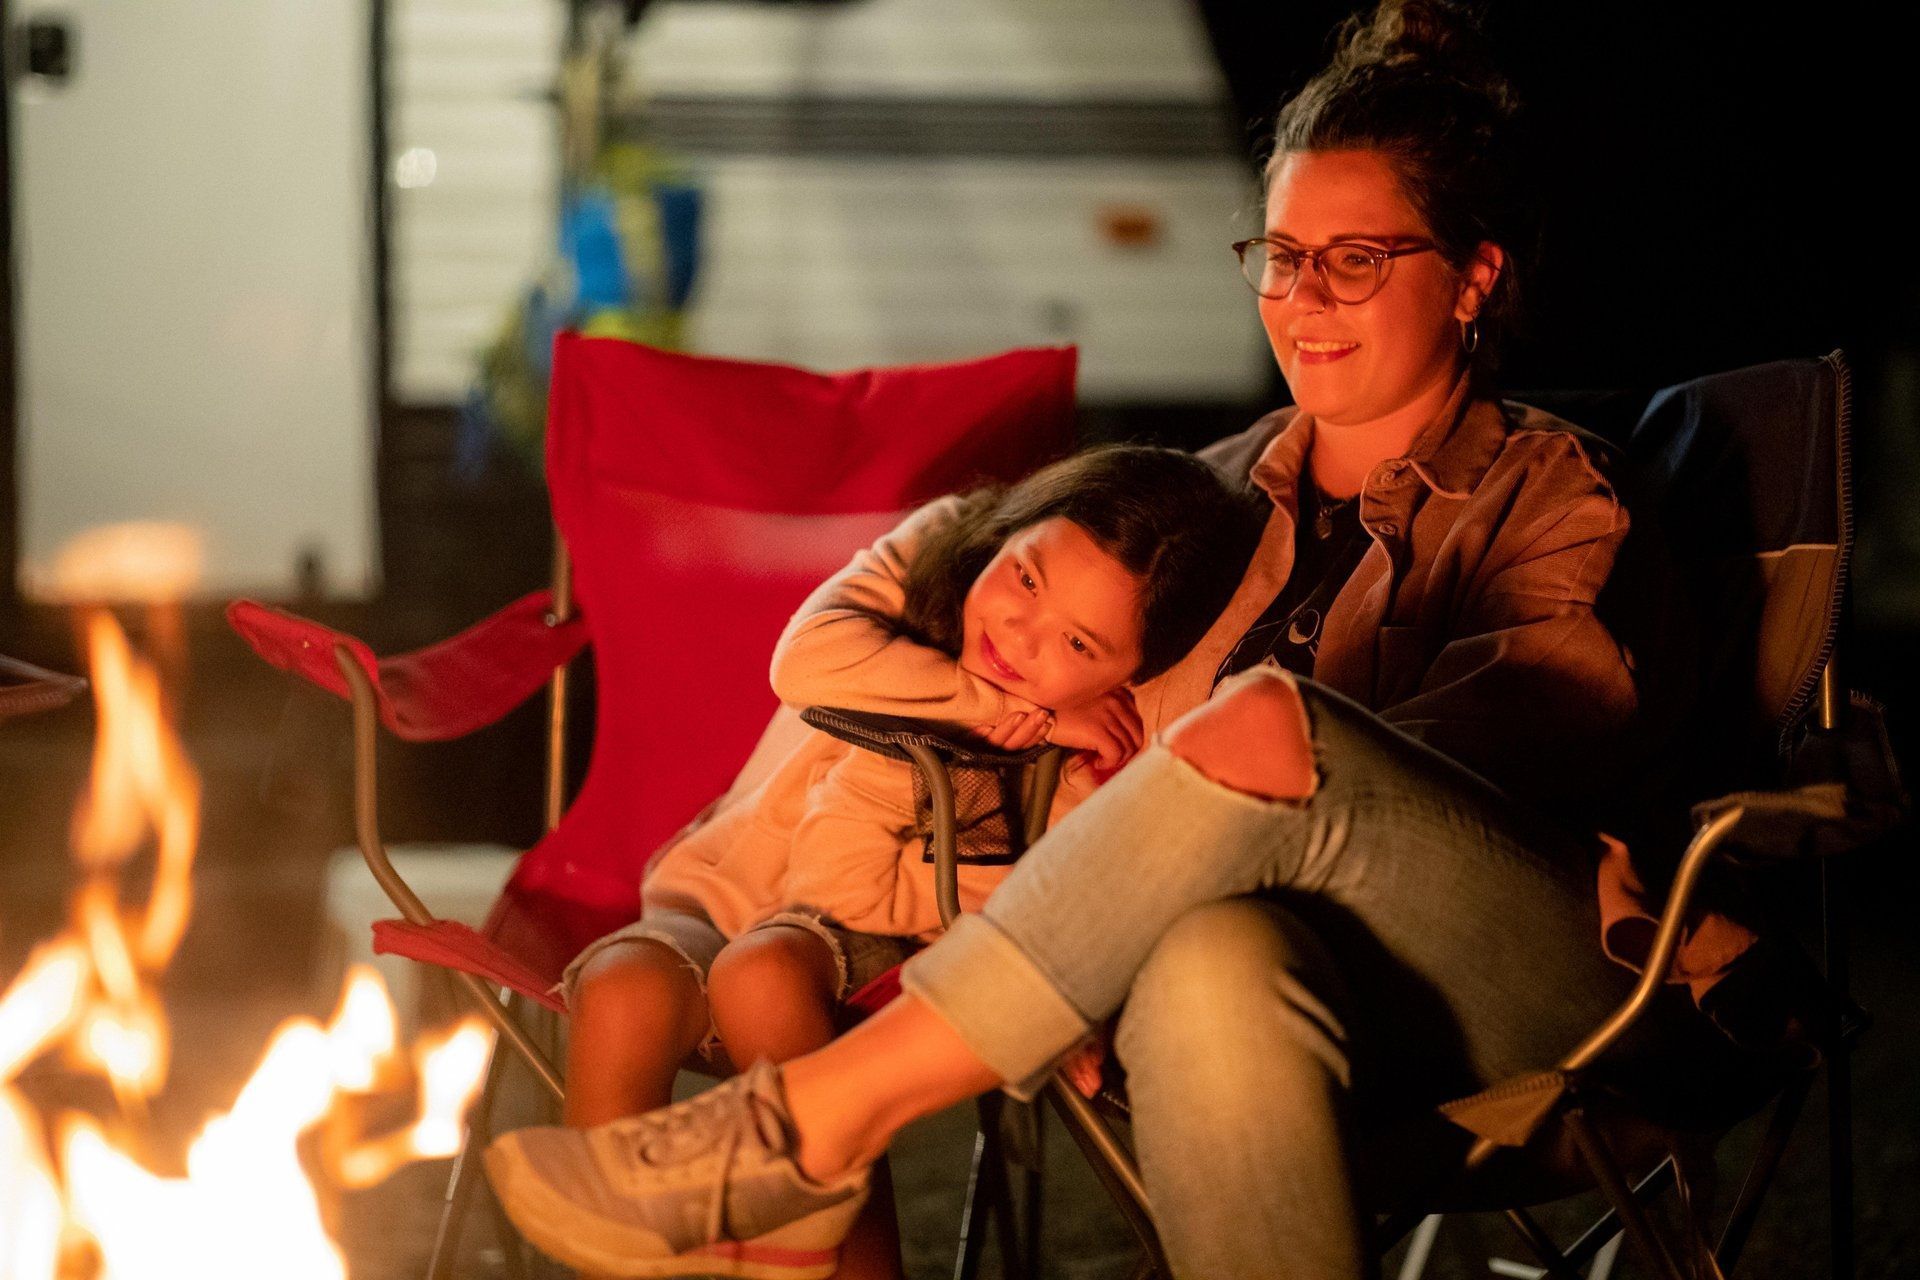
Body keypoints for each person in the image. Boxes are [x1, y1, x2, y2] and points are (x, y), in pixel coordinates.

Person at [485, 3, 1753, 1277]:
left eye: (1354, 261)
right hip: (1288, 969)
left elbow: (1501, 760)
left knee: (1266, 728)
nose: (1303, 299)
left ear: (1473, 276)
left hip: (1544, 975)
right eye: (1282, 254)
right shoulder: (1203, 507)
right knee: (1211, 958)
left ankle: (803, 1125)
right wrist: (1073, 938)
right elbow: (1070, 748)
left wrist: (1191, 808)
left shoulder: (1559, 497)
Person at [553, 444, 1255, 1280]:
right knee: (620, 986)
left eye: (1076, 641)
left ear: (1131, 673)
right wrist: (996, 710)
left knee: (762, 975)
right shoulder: (939, 546)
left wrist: (941, 746)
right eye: (1027, 577)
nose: (1018, 635)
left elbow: (849, 891)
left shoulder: (1092, 758)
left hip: (876, 951)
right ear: (1011, 529)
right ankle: (608, 1259)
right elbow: (802, 665)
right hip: (717, 890)